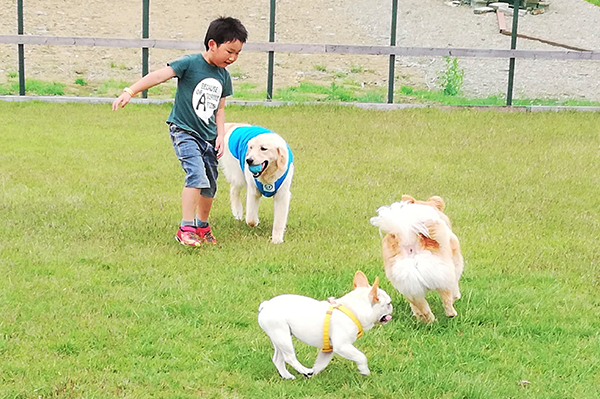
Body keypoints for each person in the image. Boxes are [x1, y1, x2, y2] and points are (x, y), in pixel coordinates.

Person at [112, 16, 248, 247]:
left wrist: (221, 135)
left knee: (210, 184)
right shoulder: (190, 63)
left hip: (209, 137)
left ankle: (202, 226)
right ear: (213, 44)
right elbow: (158, 76)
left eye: (237, 53)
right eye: (229, 51)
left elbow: (220, 108)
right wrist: (130, 91)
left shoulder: (223, 76)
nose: (233, 58)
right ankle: (185, 228)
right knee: (196, 175)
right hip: (184, 131)